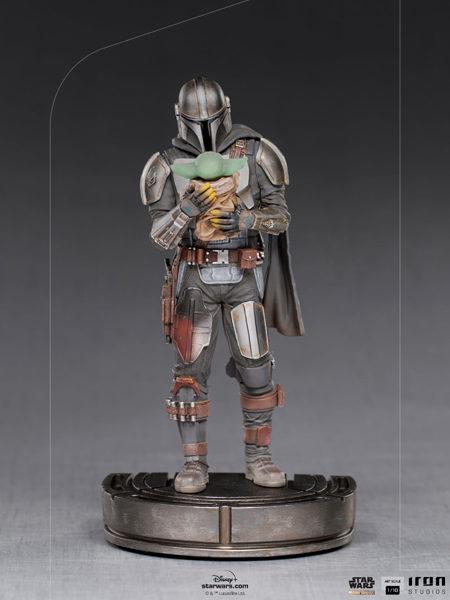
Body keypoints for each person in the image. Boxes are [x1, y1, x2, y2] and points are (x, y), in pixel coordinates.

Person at [140, 77, 304, 493]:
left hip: (242, 276)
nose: (205, 129)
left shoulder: (255, 153)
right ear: (180, 119)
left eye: (210, 119)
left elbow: (280, 218)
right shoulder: (166, 164)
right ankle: (194, 464)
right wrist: (185, 210)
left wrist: (247, 217)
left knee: (257, 371)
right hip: (196, 281)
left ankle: (258, 457)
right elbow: (160, 236)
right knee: (188, 377)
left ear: (226, 111)